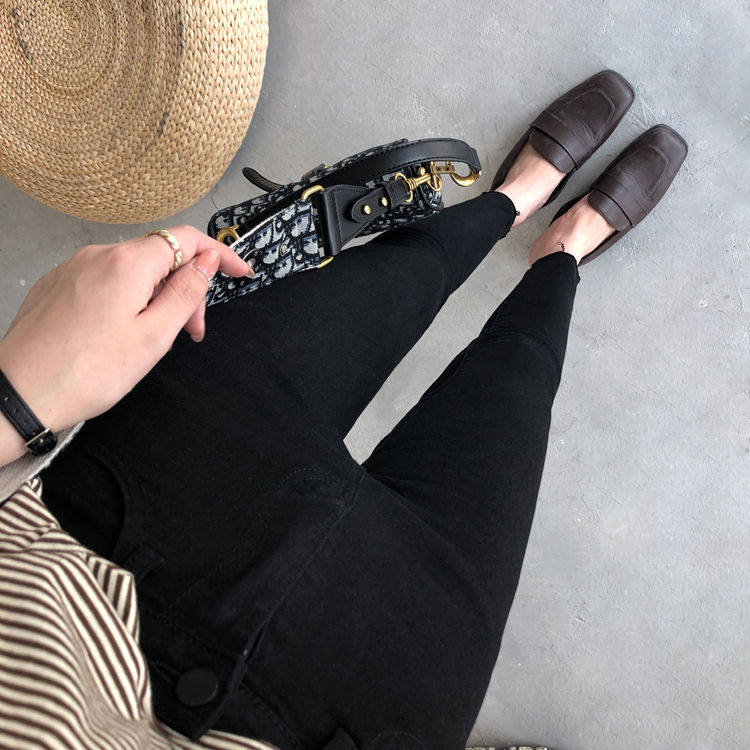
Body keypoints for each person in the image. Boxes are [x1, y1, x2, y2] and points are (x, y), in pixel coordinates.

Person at [0, 71, 686, 750]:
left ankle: (512, 198)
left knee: (393, 281)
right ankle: (562, 253)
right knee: (517, 381)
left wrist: (18, 403)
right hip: (379, 703)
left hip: (94, 529)